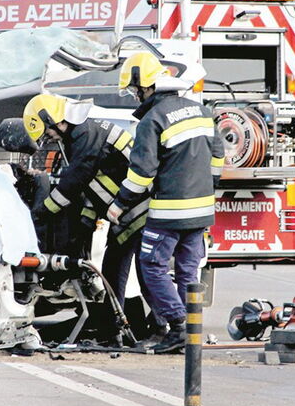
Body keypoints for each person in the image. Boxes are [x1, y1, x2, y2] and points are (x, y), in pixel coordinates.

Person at [108, 52, 225, 353]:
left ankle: (177, 327)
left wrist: (119, 204)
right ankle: (192, 331)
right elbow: (218, 158)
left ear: (145, 87)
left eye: (135, 91)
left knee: (152, 267)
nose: (135, 96)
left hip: (169, 212)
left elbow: (141, 175)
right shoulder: (200, 110)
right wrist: (208, 185)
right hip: (202, 211)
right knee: (187, 271)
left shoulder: (152, 120)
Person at [22, 93, 154, 336]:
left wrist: (40, 213)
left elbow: (75, 181)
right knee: (115, 269)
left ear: (54, 120)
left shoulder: (84, 135)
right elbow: (93, 186)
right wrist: (85, 223)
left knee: (146, 272)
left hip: (138, 211)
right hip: (126, 215)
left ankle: (158, 326)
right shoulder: (79, 136)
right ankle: (121, 325)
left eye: (47, 131)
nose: (49, 137)